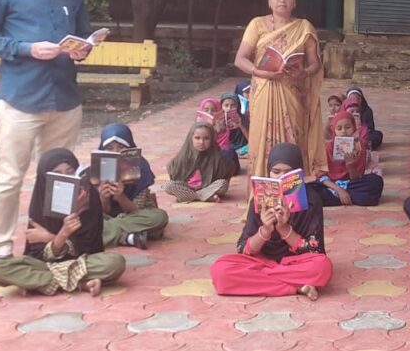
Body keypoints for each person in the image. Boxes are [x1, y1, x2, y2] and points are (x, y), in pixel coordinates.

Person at [0, 0, 102, 260]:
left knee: (60, 181)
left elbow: (83, 36)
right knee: (8, 177)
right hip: (21, 100)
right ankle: (1, 248)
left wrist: (82, 49)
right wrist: (27, 48)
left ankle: (52, 245)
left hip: (64, 100)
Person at [0, 148, 126, 295]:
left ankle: (42, 283)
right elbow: (38, 254)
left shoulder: (90, 197)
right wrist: (64, 233)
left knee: (114, 263)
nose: (66, 178)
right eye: (57, 174)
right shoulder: (40, 199)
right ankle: (80, 283)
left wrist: (51, 238)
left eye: (70, 172)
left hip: (83, 261)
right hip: (46, 265)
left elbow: (90, 247)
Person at [210, 143, 332, 298]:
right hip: (263, 261)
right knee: (220, 270)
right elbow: (243, 248)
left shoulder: (311, 199)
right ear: (269, 172)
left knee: (322, 267)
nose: (281, 177)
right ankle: (297, 287)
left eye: (288, 173)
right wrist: (265, 231)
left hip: (297, 262)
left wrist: (284, 230)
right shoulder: (259, 198)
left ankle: (262, 281)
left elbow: (315, 249)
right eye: (276, 172)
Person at [233, 0, 326, 178]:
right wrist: (259, 71)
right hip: (263, 91)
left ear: (294, 2)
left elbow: (315, 63)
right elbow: (240, 59)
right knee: (261, 145)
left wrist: (305, 72)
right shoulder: (257, 24)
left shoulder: (304, 28)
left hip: (293, 92)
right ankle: (260, 198)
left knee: (292, 141)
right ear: (269, 1)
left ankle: (294, 199)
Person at [96, 123, 169, 248]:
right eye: (109, 147)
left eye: (121, 147)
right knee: (87, 221)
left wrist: (120, 196)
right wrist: (104, 197)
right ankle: (128, 237)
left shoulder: (141, 168)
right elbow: (100, 211)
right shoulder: (96, 168)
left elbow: (136, 210)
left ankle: (107, 232)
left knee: (160, 217)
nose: (116, 152)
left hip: (133, 215)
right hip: (108, 218)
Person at [313, 109, 384, 206]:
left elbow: (356, 178)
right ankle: (348, 197)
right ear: (334, 130)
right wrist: (339, 190)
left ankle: (336, 199)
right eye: (339, 128)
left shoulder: (359, 146)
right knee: (309, 187)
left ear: (354, 128)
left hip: (352, 184)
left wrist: (350, 165)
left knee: (376, 181)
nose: (344, 131)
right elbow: (320, 175)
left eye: (348, 127)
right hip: (332, 185)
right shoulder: (328, 148)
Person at [164, 123, 238, 203]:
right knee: (169, 186)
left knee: (223, 184)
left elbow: (230, 169)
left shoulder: (217, 156)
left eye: (206, 138)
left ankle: (191, 196)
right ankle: (204, 197)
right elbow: (172, 169)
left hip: (208, 187)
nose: (201, 142)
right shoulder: (183, 156)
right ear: (191, 138)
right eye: (197, 138)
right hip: (187, 187)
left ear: (212, 139)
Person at [344, 85, 383, 150]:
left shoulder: (367, 110)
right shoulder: (344, 111)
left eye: (358, 99)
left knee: (377, 135)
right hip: (347, 134)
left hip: (363, 133)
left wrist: (360, 124)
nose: (355, 101)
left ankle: (365, 145)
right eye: (352, 99)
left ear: (362, 99)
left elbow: (371, 128)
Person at [219, 93, 250, 159]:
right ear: (221, 106)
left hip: (242, 146)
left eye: (233, 106)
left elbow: (250, 139)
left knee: (252, 147)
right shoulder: (219, 118)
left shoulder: (242, 117)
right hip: (226, 145)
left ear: (238, 106)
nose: (229, 108)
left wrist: (240, 125)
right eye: (226, 105)